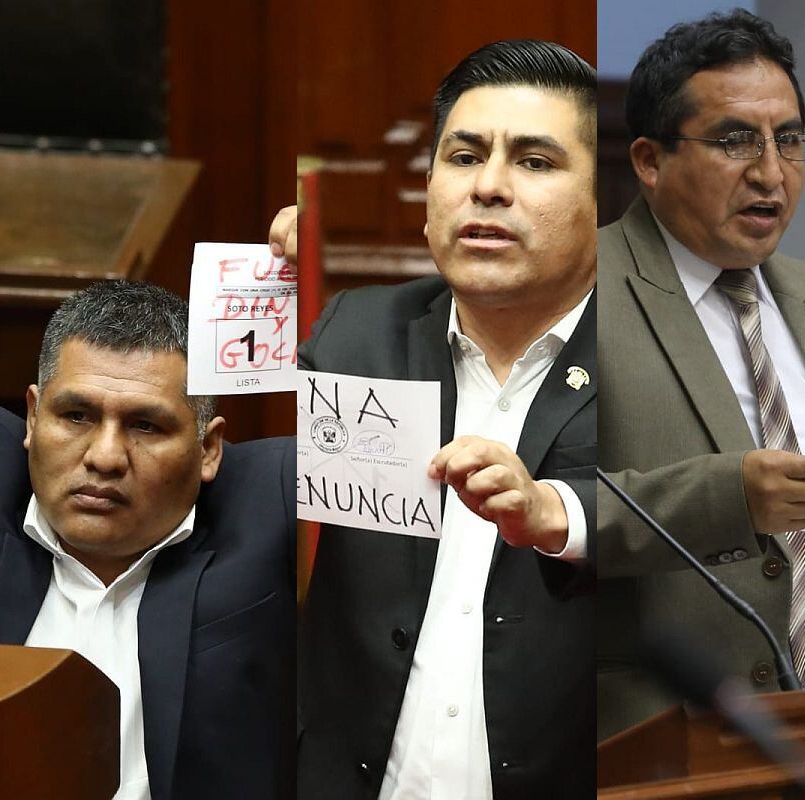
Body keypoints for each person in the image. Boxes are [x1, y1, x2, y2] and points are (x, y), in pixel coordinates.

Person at [285, 39, 597, 798]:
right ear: (428, 189)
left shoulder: (651, 361)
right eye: (463, 156)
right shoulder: (356, 335)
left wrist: (558, 513)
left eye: (534, 161)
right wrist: (259, 310)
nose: (488, 187)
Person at [597, 9, 805, 739]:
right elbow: (530, 511)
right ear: (649, 160)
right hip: (673, 742)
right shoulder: (579, 290)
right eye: (736, 140)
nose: (771, 172)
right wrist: (728, 498)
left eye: (788, 140)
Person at [0, 280, 296, 800]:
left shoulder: (270, 501)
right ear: (32, 416)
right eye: (77, 416)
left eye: (145, 426)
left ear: (208, 449)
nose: (106, 457)